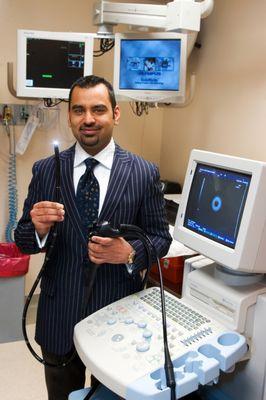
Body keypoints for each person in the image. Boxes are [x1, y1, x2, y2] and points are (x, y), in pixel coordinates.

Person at [14, 75, 172, 400]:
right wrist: (39, 229)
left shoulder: (143, 173)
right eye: (78, 110)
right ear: (70, 116)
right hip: (60, 316)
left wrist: (129, 253)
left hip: (118, 318)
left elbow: (160, 238)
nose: (88, 119)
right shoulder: (46, 170)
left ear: (115, 114)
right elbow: (23, 239)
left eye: (98, 109)